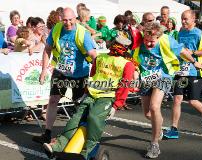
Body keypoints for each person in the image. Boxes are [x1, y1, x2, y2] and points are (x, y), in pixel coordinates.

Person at [43, 34, 136, 160]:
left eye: (119, 46)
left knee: (94, 118)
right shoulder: (100, 58)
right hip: (92, 94)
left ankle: (87, 152)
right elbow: (92, 76)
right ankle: (57, 146)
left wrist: (116, 105)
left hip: (107, 97)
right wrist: (86, 93)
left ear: (125, 48)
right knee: (75, 119)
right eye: (115, 44)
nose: (116, 48)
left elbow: (124, 86)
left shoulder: (128, 64)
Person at [132, 21, 202, 159]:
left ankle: (154, 145)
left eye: (152, 42)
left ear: (158, 37)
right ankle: (159, 128)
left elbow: (182, 51)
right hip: (146, 77)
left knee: (154, 107)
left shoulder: (166, 40)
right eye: (146, 40)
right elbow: (133, 61)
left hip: (163, 75)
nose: (149, 44)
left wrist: (194, 62)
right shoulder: (139, 40)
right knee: (147, 114)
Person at [32, 7, 97, 144]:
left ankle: (80, 136)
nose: (68, 23)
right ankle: (47, 133)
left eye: (70, 20)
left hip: (79, 74)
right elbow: (47, 49)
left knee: (79, 105)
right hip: (60, 71)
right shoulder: (56, 29)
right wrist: (44, 70)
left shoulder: (82, 33)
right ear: (61, 19)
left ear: (75, 19)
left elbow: (93, 55)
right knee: (53, 100)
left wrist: (97, 73)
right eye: (65, 20)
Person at [163, 10, 202, 140]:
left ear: (193, 19)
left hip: (194, 71)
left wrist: (193, 52)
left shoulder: (200, 34)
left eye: (186, 19)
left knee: (192, 101)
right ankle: (174, 129)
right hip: (181, 70)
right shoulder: (180, 33)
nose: (183, 21)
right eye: (182, 19)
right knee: (177, 99)